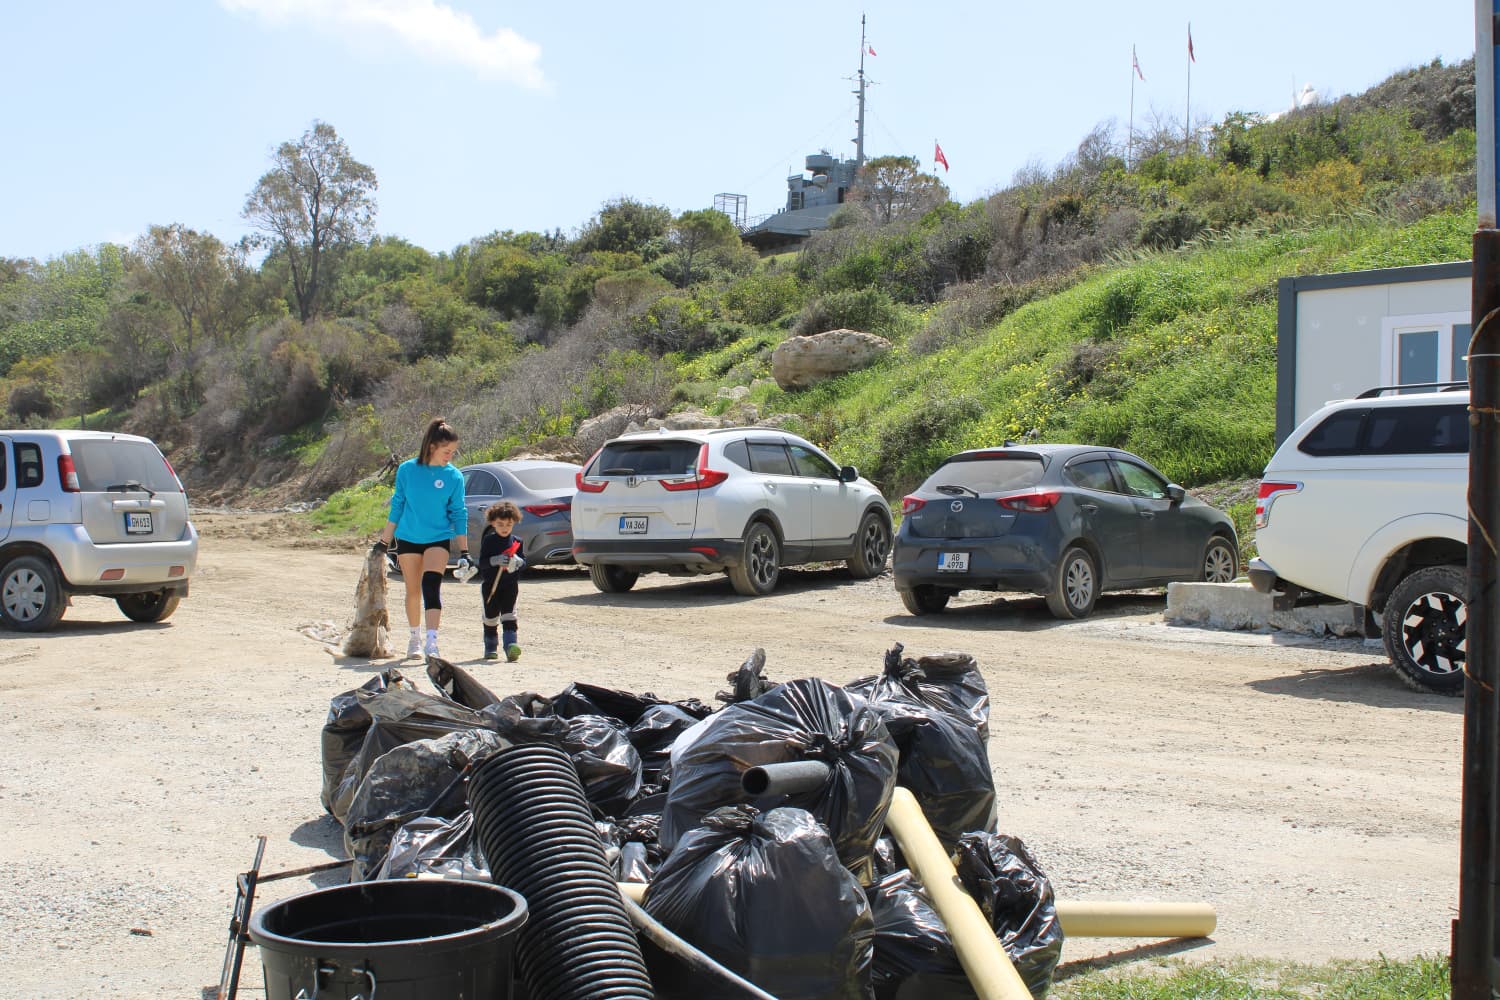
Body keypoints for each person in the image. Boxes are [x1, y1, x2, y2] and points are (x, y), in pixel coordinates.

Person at [371, 417, 470, 659]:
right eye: (447, 451)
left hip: (438, 538)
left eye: (453, 452)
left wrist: (465, 552)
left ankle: (432, 642)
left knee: (431, 586)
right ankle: (414, 639)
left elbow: (459, 513)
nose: (450, 456)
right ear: (432, 446)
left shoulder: (454, 476)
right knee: (413, 590)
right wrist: (384, 541)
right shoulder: (407, 470)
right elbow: (397, 505)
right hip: (409, 537)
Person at [477, 500, 526, 661]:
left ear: (514, 522)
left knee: (509, 615)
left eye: (509, 524)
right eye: (500, 524)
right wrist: (495, 560)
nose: (505, 528)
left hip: (510, 585)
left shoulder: (517, 541)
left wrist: (518, 562)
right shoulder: (488, 541)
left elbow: (524, 563)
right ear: (493, 523)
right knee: (490, 618)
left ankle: (511, 646)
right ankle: (490, 647)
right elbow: (482, 563)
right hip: (491, 585)